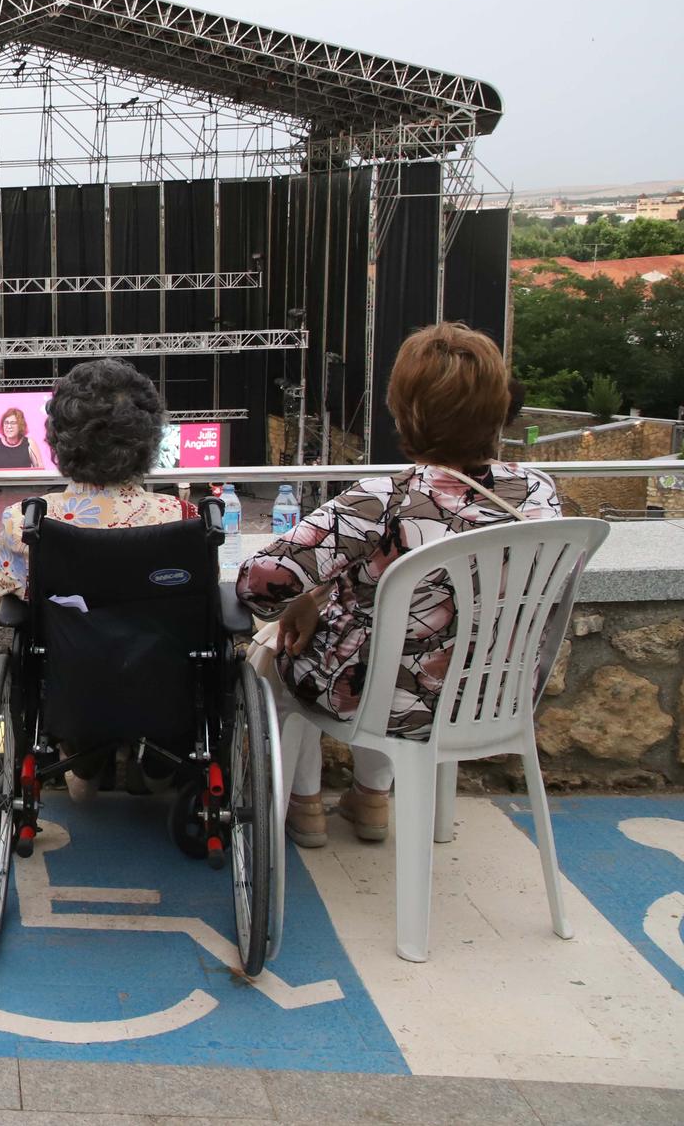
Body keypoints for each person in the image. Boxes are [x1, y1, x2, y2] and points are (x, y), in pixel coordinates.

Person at [238, 323, 560, 847]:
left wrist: (309, 599)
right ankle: (370, 797)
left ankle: (305, 805)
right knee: (390, 651)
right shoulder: (539, 492)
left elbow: (258, 586)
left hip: (390, 701)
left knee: (284, 654)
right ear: (499, 406)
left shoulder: (381, 499)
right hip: (491, 697)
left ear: (403, 407)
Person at [0, 359, 198, 799]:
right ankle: (158, 764)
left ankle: (84, 756)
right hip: (164, 691)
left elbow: (1, 594)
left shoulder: (27, 522)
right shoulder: (184, 519)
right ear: (148, 439)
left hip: (73, 692)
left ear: (59, 440)